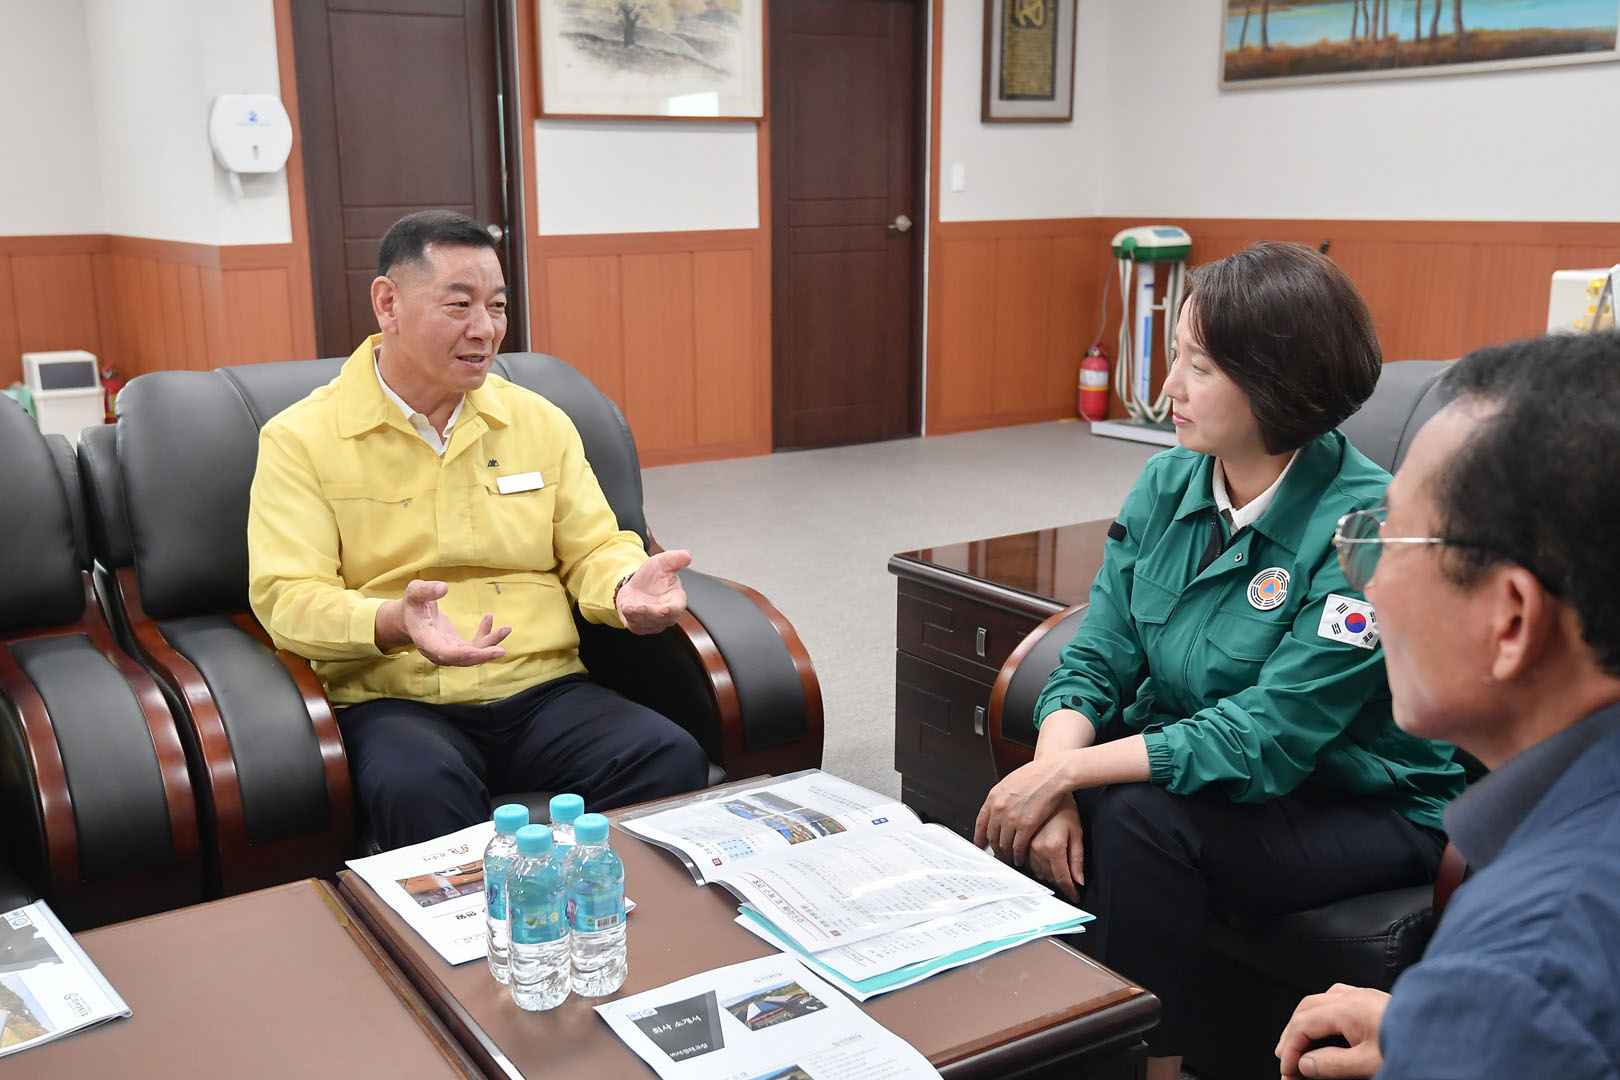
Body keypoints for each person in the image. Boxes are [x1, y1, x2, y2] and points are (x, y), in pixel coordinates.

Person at [973, 242, 1463, 1079]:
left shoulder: (1367, 527)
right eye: (1176, 356)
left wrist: (1068, 777)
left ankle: (1151, 1066)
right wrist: (1052, 780)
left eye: (1198, 367)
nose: (1169, 386)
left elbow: (1270, 736)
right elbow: (1099, 651)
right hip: (1221, 776)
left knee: (1133, 819)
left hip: (1362, 801)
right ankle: (1041, 1042)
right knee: (1047, 809)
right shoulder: (1168, 482)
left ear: (1277, 385)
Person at [248, 209, 709, 849]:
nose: (485, 330)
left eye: (497, 306)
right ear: (388, 304)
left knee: (667, 755)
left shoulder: (538, 421)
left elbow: (595, 548)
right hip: (397, 699)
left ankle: (601, 909)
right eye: (459, 305)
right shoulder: (301, 438)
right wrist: (392, 621)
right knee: (417, 787)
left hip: (542, 688)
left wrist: (624, 587)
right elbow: (287, 597)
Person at [1275, 332, 1620, 1079]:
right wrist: (1436, 1031)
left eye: (1394, 542)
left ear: (1512, 619)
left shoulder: (1525, 968)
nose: (1367, 583)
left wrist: (1475, 1023)